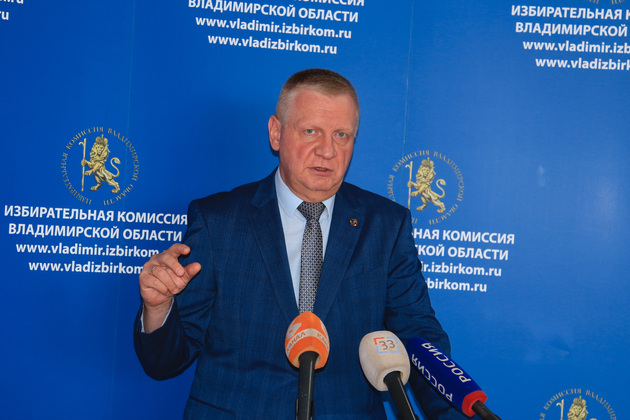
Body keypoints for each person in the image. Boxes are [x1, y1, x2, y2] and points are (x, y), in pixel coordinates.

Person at [134, 68, 467, 419]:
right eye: (311, 131)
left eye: (342, 135)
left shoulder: (386, 226)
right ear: (276, 133)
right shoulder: (217, 221)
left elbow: (418, 341)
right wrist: (158, 309)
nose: (327, 150)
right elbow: (164, 363)